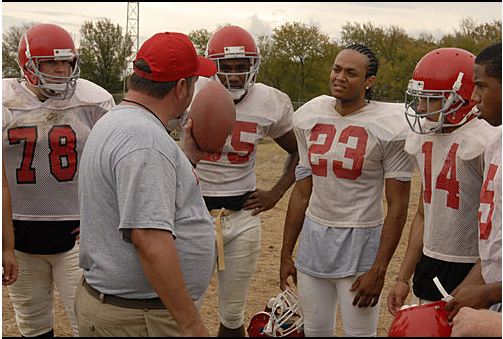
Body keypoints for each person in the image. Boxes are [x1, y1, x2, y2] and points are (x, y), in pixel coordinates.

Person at [75, 31, 218, 337]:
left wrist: (187, 158)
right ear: (181, 87)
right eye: (193, 81)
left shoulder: (120, 121)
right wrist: (191, 325)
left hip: (125, 309)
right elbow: (149, 238)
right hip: (138, 318)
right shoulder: (143, 139)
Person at [279, 43, 413, 337]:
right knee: (314, 330)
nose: (339, 77)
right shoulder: (311, 114)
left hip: (361, 240)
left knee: (360, 333)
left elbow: (398, 207)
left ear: (369, 82)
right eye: (336, 69)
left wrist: (379, 269)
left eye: (351, 72)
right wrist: (286, 253)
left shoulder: (389, 125)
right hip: (314, 240)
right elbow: (302, 191)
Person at [182, 25, 299, 337]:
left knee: (233, 316)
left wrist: (276, 192)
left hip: (243, 216)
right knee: (183, 312)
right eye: (226, 68)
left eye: (241, 67)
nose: (234, 75)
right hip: (194, 214)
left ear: (253, 66)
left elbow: (298, 152)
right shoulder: (191, 94)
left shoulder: (270, 101)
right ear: (212, 67)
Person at [2, 23, 114, 337]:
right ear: (28, 66)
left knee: (88, 323)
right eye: (52, 62)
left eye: (67, 61)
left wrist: (102, 217)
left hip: (77, 232)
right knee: (32, 324)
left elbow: (114, 166)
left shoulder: (95, 101)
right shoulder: (5, 100)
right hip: (19, 233)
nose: (62, 69)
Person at [387, 47, 497, 318]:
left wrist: (478, 285)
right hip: (431, 260)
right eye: (420, 99)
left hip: (474, 265)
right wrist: (403, 276)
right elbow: (424, 211)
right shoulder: (425, 135)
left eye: (431, 100)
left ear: (459, 98)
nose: (421, 109)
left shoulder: (484, 140)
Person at [446, 43, 502, 320]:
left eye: (481, 86)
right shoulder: (495, 141)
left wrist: (490, 292)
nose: (473, 96)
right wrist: (472, 284)